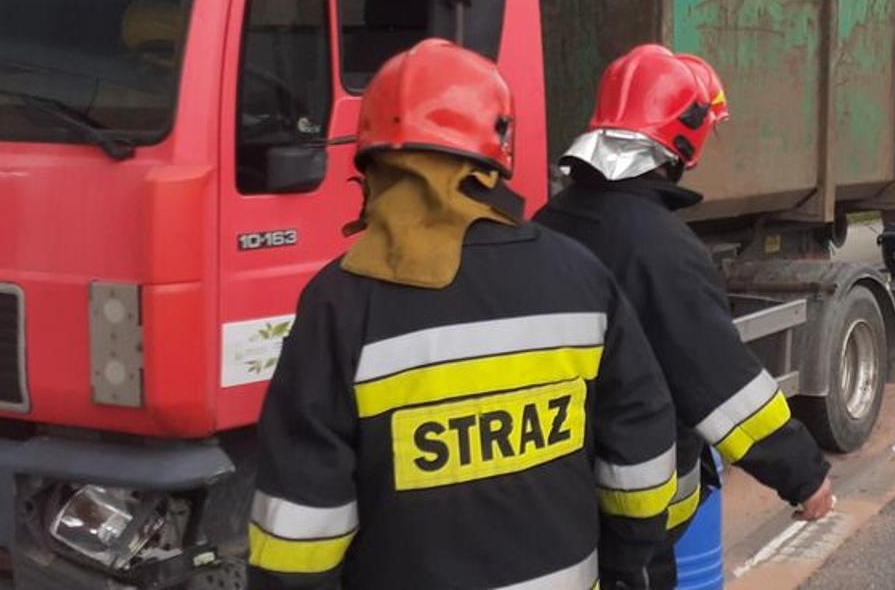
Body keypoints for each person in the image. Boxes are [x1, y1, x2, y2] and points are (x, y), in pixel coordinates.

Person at [247, 40, 677, 590]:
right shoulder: (580, 275)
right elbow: (640, 448)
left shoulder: (339, 301)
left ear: (373, 164)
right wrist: (625, 563)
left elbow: (298, 533)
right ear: (495, 155)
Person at [536, 45, 835, 589]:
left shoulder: (550, 220)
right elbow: (720, 383)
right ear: (683, 138)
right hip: (629, 530)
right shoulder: (662, 247)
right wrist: (804, 474)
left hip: (554, 506)